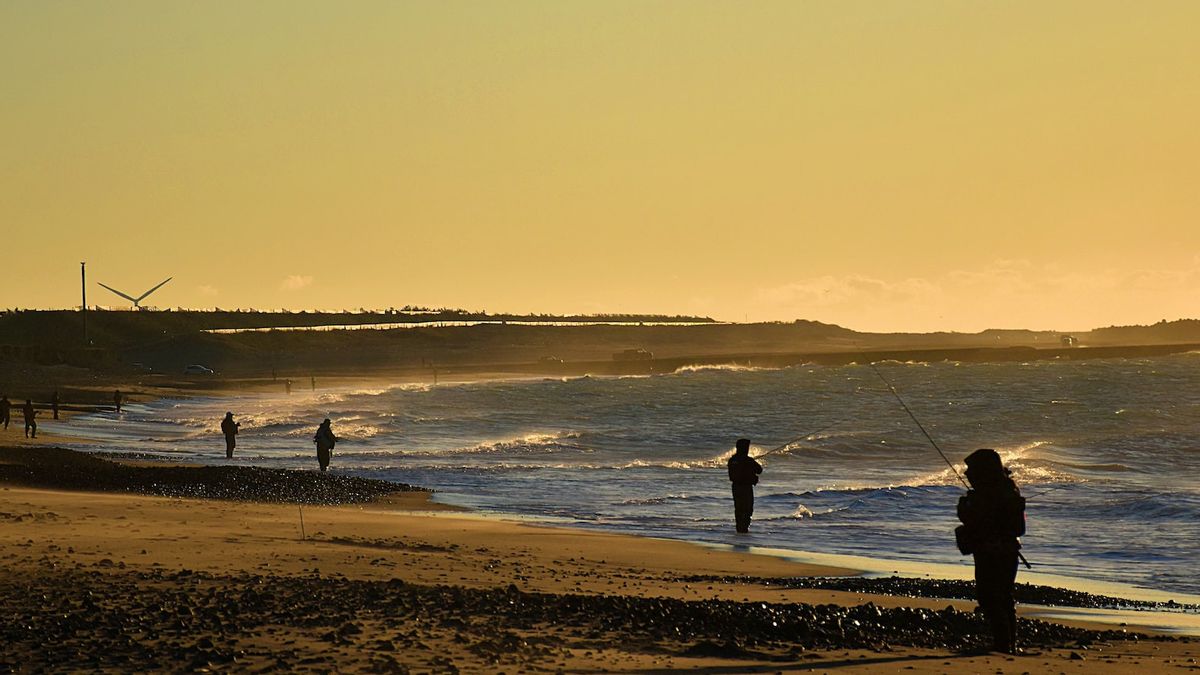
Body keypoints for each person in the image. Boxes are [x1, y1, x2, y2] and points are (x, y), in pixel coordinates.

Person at [956, 448, 1026, 654]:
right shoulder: (1005, 490)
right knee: (1002, 596)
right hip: (1002, 551)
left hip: (994, 552)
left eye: (971, 469)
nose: (967, 474)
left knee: (990, 596)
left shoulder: (994, 495)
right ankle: (1007, 644)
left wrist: (968, 506)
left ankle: (1003, 645)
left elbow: (971, 519)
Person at [727, 438, 763, 533]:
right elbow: (759, 470)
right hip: (746, 487)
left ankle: (739, 528)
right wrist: (751, 462)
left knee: (738, 508)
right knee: (748, 509)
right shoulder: (748, 460)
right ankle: (744, 529)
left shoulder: (732, 460)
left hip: (735, 487)